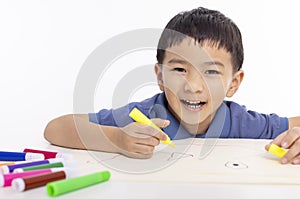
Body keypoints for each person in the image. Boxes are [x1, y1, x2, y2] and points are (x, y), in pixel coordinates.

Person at [44, 7, 300, 164]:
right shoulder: (146, 117)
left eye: (211, 71)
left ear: (233, 83)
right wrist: (118, 139)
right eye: (179, 69)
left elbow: (295, 123)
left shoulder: (242, 121)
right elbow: (55, 128)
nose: (193, 86)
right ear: (160, 76)